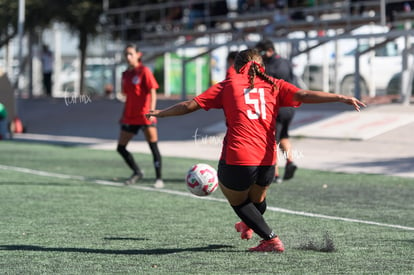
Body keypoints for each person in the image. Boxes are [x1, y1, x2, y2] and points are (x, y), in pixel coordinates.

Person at [146, 49, 365, 252]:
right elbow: (304, 94)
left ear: (237, 66)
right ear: (262, 66)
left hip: (239, 156)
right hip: (268, 160)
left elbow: (189, 105)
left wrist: (161, 113)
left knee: (238, 200)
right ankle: (248, 224)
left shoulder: (229, 84)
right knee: (256, 200)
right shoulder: (274, 84)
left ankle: (270, 239)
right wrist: (340, 97)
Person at [117, 44, 164, 189]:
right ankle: (137, 172)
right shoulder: (125, 74)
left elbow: (153, 91)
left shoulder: (144, 71)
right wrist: (123, 115)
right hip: (130, 116)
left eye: (131, 54)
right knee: (121, 147)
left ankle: (159, 179)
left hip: (145, 115)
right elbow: (127, 96)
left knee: (153, 146)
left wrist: (152, 111)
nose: (128, 57)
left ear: (138, 55)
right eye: (126, 54)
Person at [255, 39, 297, 183]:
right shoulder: (285, 62)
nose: (259, 55)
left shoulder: (271, 66)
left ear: (270, 51)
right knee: (283, 135)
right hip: (290, 107)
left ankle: (275, 174)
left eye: (260, 52)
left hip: (277, 107)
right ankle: (290, 161)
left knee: (271, 139)